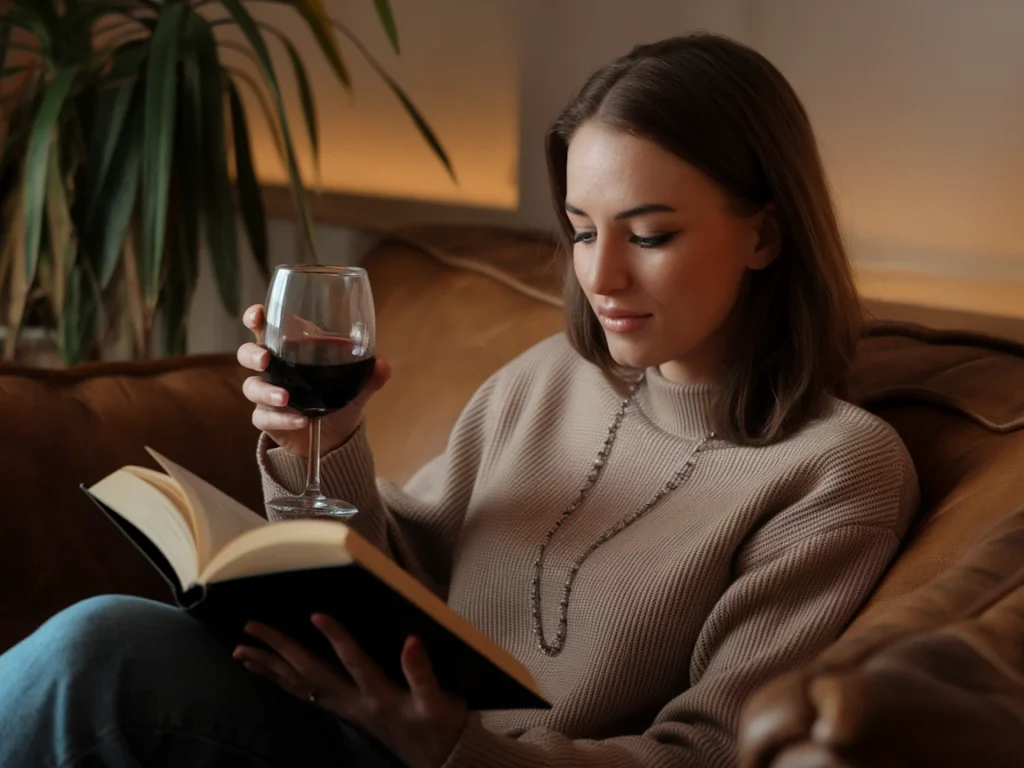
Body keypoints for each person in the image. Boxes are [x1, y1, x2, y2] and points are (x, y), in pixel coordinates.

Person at [0, 33, 918, 768]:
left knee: (99, 653)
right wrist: (328, 438)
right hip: (344, 724)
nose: (600, 276)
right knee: (107, 638)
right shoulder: (548, 378)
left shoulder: (837, 470)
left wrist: (451, 745)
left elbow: (715, 752)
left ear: (764, 235)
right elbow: (401, 572)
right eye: (581, 230)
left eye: (650, 234)